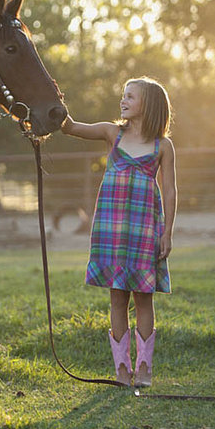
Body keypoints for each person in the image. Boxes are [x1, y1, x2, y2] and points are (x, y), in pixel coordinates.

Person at [61, 77, 177, 387]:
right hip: (111, 228)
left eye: (130, 97)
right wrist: (54, 105)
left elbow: (170, 190)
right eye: (123, 96)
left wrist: (167, 232)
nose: (123, 101)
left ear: (148, 105)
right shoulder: (111, 133)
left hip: (144, 228)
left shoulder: (162, 146)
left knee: (143, 299)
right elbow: (70, 126)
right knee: (116, 296)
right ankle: (122, 370)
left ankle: (144, 368)